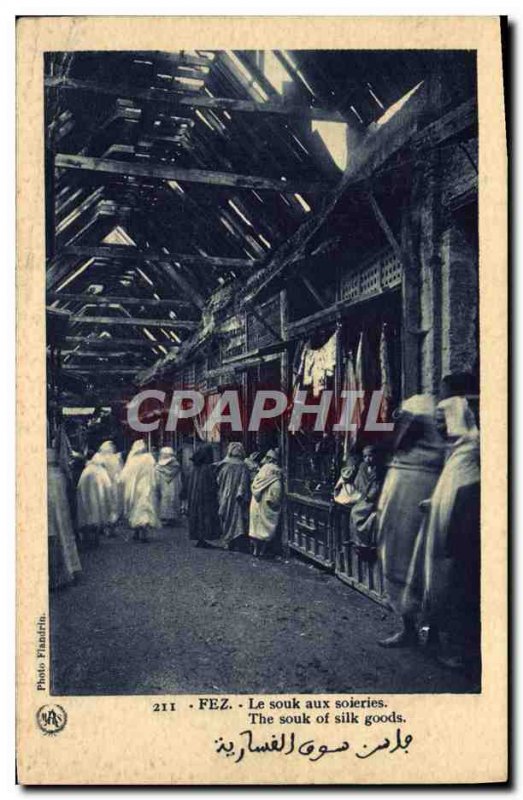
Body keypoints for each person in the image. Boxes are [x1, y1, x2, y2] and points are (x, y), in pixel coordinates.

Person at [405, 396, 480, 669]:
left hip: (461, 523)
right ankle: (438, 640)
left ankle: (458, 650)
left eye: (442, 419)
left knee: (453, 582)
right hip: (439, 519)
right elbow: (449, 483)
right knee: (434, 578)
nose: (438, 425)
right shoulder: (454, 447)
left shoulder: (475, 444)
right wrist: (434, 503)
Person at [376, 395, 445, 647]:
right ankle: (410, 630)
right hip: (402, 491)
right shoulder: (417, 407)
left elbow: (397, 441)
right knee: (399, 557)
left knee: (425, 561)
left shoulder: (427, 411)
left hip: (420, 489)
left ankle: (433, 635)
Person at [48, 447, 82, 588]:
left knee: (53, 545)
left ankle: (55, 579)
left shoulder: (46, 476)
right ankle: (64, 574)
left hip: (52, 519)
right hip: (62, 517)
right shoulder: (59, 475)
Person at [213, 442, 251, 550]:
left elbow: (218, 480)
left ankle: (227, 540)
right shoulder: (243, 466)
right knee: (237, 519)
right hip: (237, 498)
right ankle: (236, 541)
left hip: (224, 494)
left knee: (225, 517)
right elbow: (244, 484)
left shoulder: (223, 464)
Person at [120, 441, 159, 542]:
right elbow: (154, 473)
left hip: (135, 488)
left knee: (135, 508)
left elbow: (125, 475)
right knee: (145, 508)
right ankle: (144, 534)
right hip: (147, 486)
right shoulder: (149, 458)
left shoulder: (132, 460)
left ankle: (137, 532)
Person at [249, 449, 283, 557]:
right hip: (266, 504)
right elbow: (276, 493)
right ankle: (263, 551)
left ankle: (255, 550)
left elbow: (254, 484)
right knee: (267, 529)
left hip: (256, 501)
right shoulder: (277, 473)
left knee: (255, 528)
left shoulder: (262, 470)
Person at [349, 446, 383, 555]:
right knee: (354, 510)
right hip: (363, 496)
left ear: (375, 456)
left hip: (374, 498)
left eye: (370, 456)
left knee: (356, 512)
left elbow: (377, 486)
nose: (368, 459)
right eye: (365, 456)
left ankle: (363, 543)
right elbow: (358, 482)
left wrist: (369, 496)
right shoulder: (363, 467)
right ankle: (357, 540)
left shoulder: (379, 469)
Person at [186, 444, 220, 547]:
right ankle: (203, 538)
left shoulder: (195, 468)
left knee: (197, 517)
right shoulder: (207, 469)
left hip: (194, 498)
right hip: (205, 499)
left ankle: (200, 538)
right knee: (204, 517)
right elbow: (212, 485)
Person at [76, 452, 113, 548]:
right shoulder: (101, 471)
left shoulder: (86, 471)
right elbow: (108, 485)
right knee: (96, 519)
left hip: (86, 498)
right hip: (98, 499)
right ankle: (96, 540)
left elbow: (80, 486)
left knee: (87, 517)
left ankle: (87, 540)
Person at [97, 440, 124, 532]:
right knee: (114, 504)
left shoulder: (100, 459)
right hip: (113, 485)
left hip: (104, 485)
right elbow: (120, 472)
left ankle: (106, 525)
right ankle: (112, 525)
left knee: (105, 503)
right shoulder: (116, 458)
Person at [155, 446, 183, 526]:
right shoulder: (176, 467)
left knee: (164, 501)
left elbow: (156, 481)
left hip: (163, 489)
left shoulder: (158, 468)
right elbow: (180, 481)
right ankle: (173, 518)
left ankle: (164, 517)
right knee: (173, 500)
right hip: (174, 489)